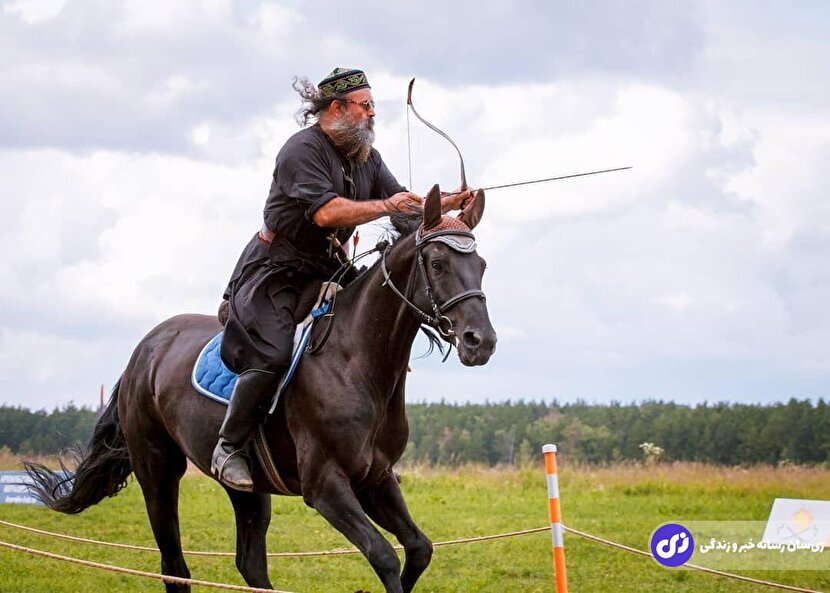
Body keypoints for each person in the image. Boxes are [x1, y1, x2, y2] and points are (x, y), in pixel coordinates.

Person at [211, 67, 472, 491]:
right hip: (275, 271)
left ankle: (368, 451)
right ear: (337, 108)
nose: (372, 114)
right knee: (274, 355)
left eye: (373, 107)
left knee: (374, 330)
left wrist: (446, 210)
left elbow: (404, 208)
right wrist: (387, 204)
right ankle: (229, 447)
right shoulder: (301, 151)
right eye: (366, 106)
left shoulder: (367, 156)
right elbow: (326, 213)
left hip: (327, 269)